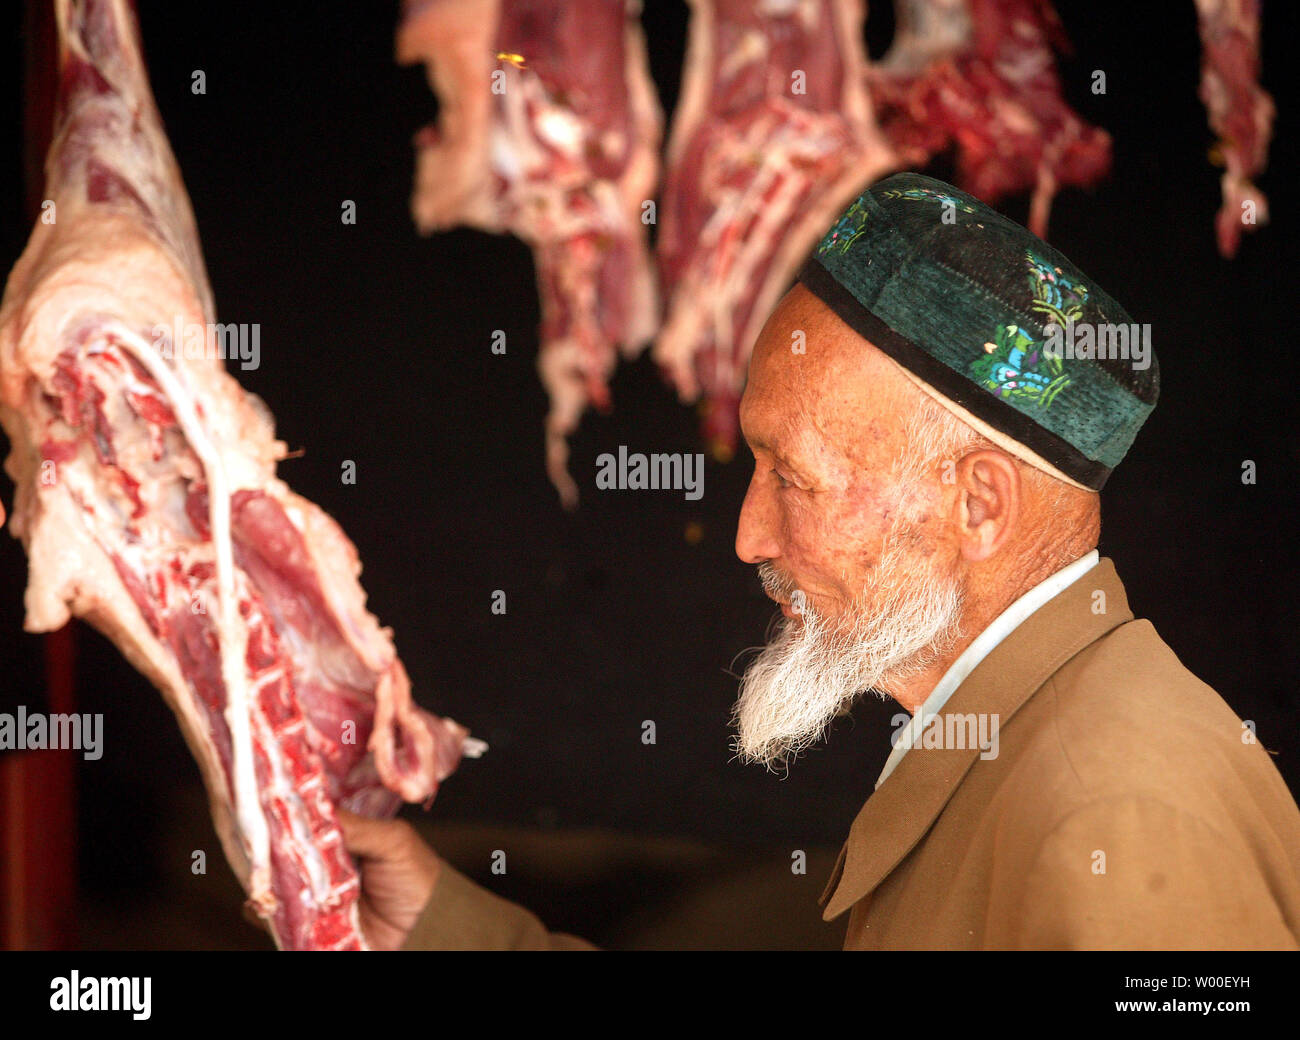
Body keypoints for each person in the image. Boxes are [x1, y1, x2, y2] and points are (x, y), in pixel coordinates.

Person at [340, 172, 1300, 950]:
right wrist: (446, 933)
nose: (749, 536)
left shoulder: (1116, 812)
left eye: (792, 476)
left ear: (976, 502)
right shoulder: (1003, 735)